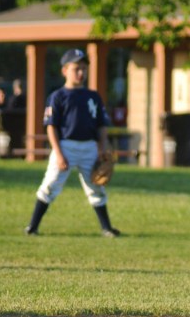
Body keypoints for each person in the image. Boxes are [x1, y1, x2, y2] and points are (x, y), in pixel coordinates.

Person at [24, 49, 120, 238]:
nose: (81, 73)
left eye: (84, 68)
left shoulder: (93, 96)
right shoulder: (58, 96)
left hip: (89, 147)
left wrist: (102, 147)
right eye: (76, 68)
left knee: (96, 186)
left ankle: (107, 228)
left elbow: (101, 125)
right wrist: (58, 153)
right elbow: (51, 127)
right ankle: (32, 226)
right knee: (51, 184)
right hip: (65, 146)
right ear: (65, 70)